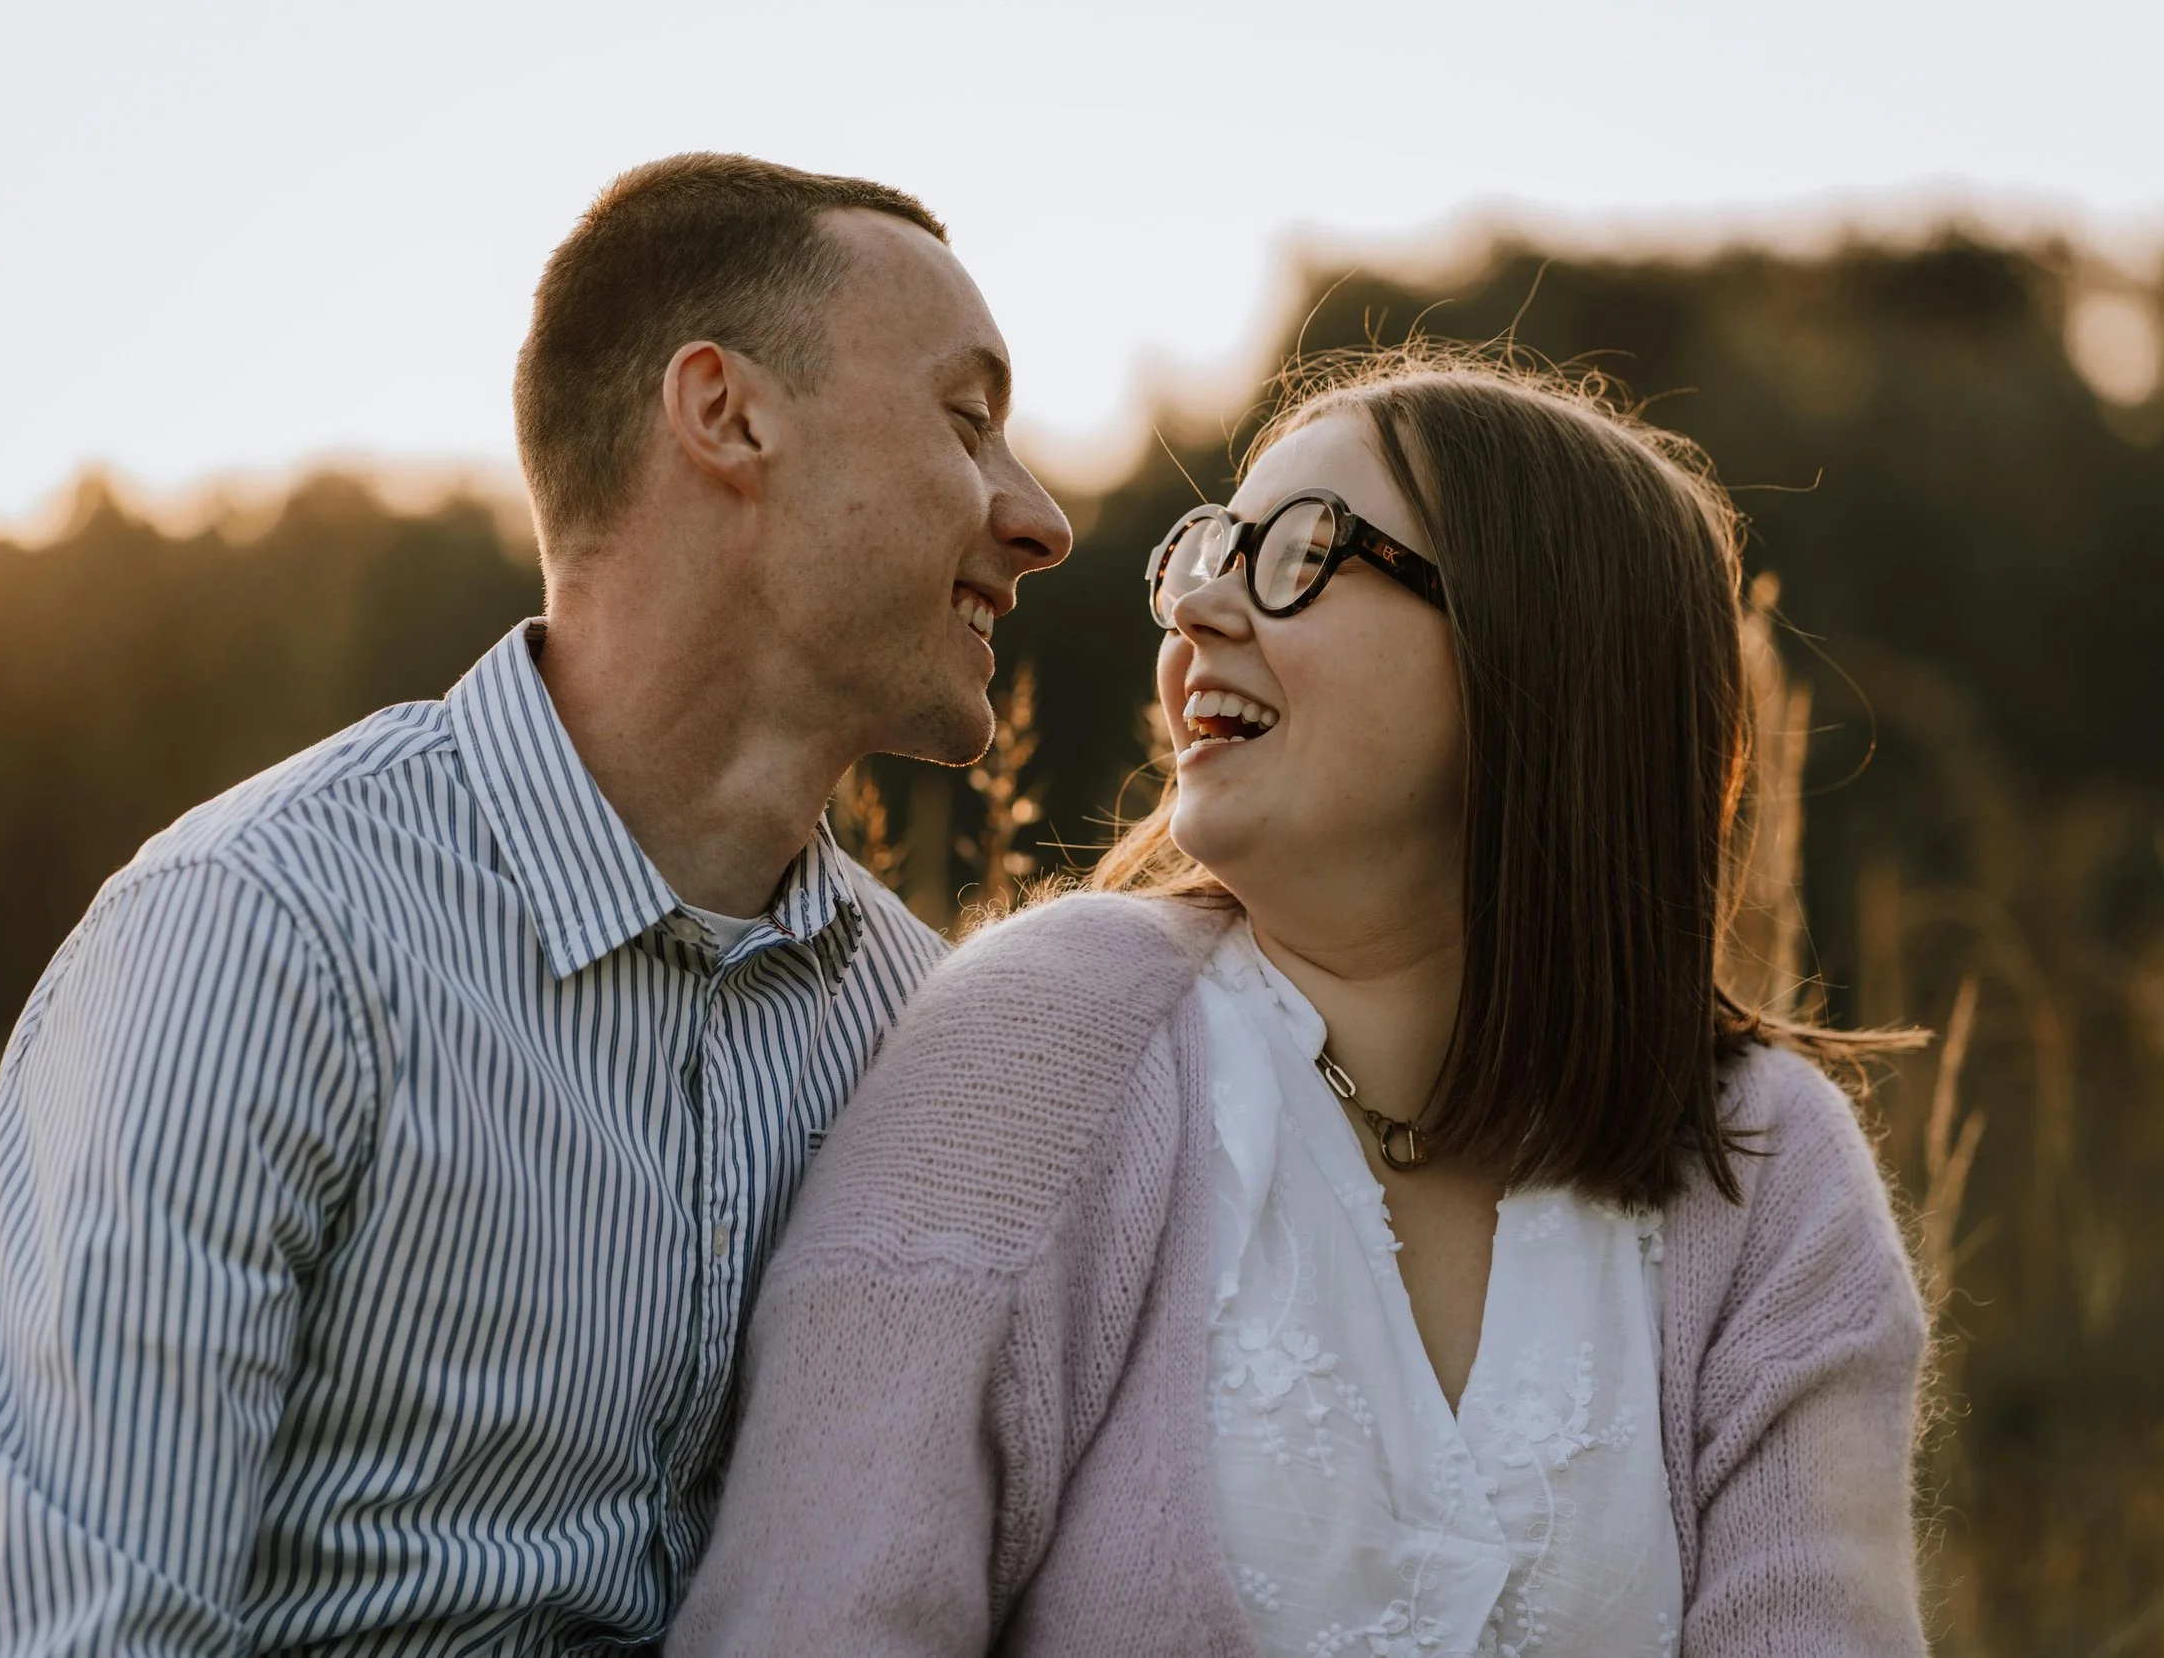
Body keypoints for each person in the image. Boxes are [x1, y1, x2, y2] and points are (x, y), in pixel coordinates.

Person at [0, 153, 1071, 1655]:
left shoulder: (924, 1028)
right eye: (968, 419)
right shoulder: (258, 938)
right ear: (727, 415)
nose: (1039, 516)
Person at [670, 352, 1930, 1655]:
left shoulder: (1768, 1173)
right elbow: (819, 1613)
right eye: (1210, 549)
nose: (1203, 608)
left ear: (1532, 647)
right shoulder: (1042, 1044)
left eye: (1300, 552)